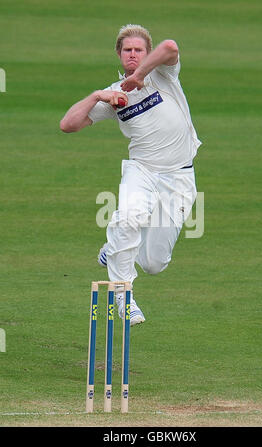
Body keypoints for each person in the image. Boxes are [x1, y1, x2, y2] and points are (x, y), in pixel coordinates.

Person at [60, 24, 202, 326]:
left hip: (179, 177)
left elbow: (171, 47)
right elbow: (68, 124)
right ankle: (125, 296)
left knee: (154, 263)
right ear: (119, 54)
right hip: (142, 171)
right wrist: (99, 95)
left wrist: (139, 76)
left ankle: (113, 249)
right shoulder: (115, 96)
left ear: (146, 53)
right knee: (128, 219)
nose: (133, 54)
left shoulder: (162, 75)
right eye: (127, 50)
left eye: (138, 50)